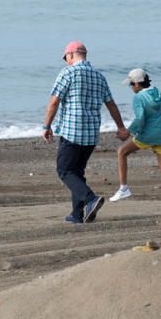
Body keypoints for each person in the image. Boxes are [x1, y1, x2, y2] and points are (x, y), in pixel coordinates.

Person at [43, 41, 130, 224]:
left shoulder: (68, 72)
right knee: (77, 172)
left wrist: (47, 126)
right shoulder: (98, 76)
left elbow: (54, 102)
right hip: (91, 133)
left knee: (65, 170)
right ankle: (78, 215)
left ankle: (90, 199)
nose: (66, 61)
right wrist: (120, 127)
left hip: (72, 130)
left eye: (66, 57)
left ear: (72, 55)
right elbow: (111, 104)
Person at [110, 68, 161, 218]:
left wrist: (127, 132)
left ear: (138, 84)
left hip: (147, 135)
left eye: (132, 84)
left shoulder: (139, 97)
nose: (131, 87)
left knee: (122, 152)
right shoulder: (156, 91)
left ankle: (124, 188)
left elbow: (140, 119)